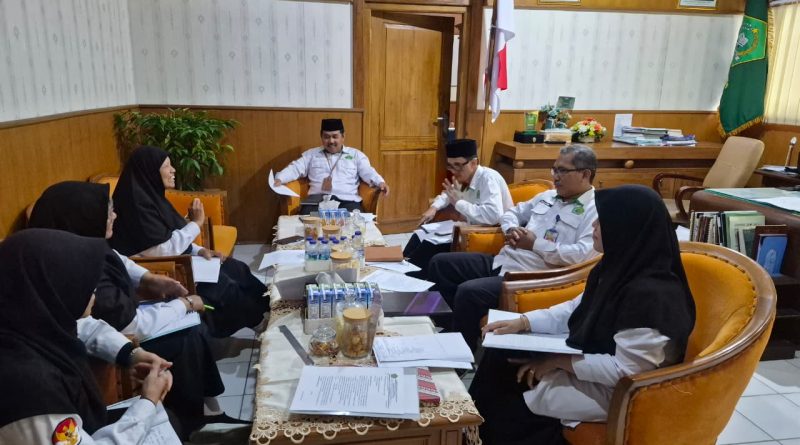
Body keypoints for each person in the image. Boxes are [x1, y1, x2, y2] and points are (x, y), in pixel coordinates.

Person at [470, 185, 696, 445]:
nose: (594, 226)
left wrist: (557, 362)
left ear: (626, 227)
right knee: (500, 355)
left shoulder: (652, 295)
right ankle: (464, 429)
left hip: (621, 390)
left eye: (603, 221)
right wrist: (523, 322)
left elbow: (626, 370)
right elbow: (576, 307)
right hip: (595, 361)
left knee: (509, 398)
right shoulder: (619, 265)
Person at [28, 181, 236, 434]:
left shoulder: (80, 248)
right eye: (108, 212)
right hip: (122, 337)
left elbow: (88, 320)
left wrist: (149, 279)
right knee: (187, 337)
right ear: (84, 217)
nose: (115, 216)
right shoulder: (31, 384)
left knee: (198, 323)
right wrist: (184, 304)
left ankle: (206, 411)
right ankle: (194, 418)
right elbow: (130, 324)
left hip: (119, 340)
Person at [0, 229, 181, 444]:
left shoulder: (25, 318)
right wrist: (148, 403)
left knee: (170, 419)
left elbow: (84, 327)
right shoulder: (31, 389)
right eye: (81, 282)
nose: (94, 291)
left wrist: (131, 354)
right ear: (53, 287)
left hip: (76, 419)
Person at [428, 144, 600, 350]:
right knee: (441, 263)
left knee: (469, 292)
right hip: (505, 259)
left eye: (562, 171)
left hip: (531, 275)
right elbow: (511, 213)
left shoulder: (594, 210)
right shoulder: (547, 196)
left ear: (585, 174)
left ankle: (461, 352)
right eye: (554, 170)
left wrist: (535, 244)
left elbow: (582, 255)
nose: (555, 177)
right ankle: (450, 330)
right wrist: (511, 229)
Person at [109, 145, 269, 338]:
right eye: (167, 166)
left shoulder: (152, 196)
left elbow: (167, 235)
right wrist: (196, 223)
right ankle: (260, 322)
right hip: (162, 268)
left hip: (180, 258)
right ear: (150, 171)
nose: (173, 170)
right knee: (224, 285)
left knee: (237, 268)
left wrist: (200, 251)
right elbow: (160, 251)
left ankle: (270, 308)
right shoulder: (135, 205)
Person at [403, 139, 513, 279]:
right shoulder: (465, 176)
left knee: (427, 248)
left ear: (473, 163)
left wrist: (459, 203)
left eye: (458, 165)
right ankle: (399, 271)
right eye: (450, 166)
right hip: (469, 226)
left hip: (487, 233)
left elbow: (493, 215)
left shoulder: (488, 179)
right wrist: (434, 207)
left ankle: (410, 281)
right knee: (418, 236)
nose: (454, 171)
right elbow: (449, 194)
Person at [273, 118, 389, 214]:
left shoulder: (355, 155)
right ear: (321, 137)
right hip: (316, 201)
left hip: (347, 201)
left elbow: (368, 171)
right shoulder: (311, 155)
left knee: (354, 225)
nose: (331, 141)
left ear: (343, 136)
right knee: (307, 226)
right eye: (326, 137)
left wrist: (380, 182)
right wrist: (280, 178)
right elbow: (295, 168)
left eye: (335, 136)